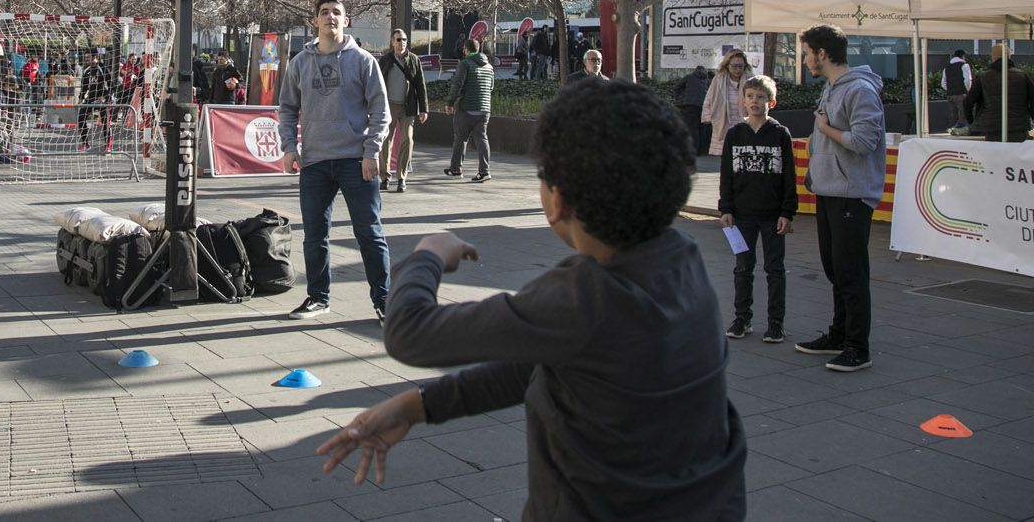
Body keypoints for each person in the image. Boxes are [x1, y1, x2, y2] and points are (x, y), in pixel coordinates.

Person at [317, 78, 746, 518]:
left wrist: (428, 256)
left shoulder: (585, 298)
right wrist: (417, 406)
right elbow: (545, 363)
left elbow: (409, 333)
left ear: (556, 199)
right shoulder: (683, 261)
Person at [279, 0, 391, 322]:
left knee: (369, 233)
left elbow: (380, 110)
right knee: (315, 235)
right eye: (324, 12)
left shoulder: (363, 61)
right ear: (315, 21)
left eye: (336, 13)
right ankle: (318, 298)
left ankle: (384, 300)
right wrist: (289, 146)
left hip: (356, 161)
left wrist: (372, 152)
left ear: (346, 20)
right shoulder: (300, 62)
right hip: (314, 162)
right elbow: (287, 108)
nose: (330, 17)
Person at [795, 24, 885, 373]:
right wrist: (815, 168)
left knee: (850, 273)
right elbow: (826, 135)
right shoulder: (832, 88)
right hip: (829, 189)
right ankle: (839, 333)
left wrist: (825, 130)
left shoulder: (859, 90)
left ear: (821, 54)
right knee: (835, 269)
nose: (804, 61)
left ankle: (857, 347)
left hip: (851, 193)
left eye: (806, 54)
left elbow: (864, 142)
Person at [719, 75, 797, 344]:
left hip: (773, 217)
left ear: (771, 102)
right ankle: (742, 318)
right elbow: (726, 175)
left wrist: (787, 212)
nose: (754, 101)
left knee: (774, 269)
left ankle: (776, 323)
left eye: (760, 97)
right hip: (741, 217)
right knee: (743, 268)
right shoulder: (735, 134)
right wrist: (725, 208)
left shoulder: (780, 134)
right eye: (750, 96)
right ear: (743, 101)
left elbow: (789, 176)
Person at [378, 29, 429, 194]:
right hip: (389, 106)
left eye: (405, 40)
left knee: (407, 140)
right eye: (399, 40)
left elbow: (420, 85)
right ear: (392, 42)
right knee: (386, 141)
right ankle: (385, 177)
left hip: (408, 106)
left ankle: (401, 178)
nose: (402, 43)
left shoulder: (414, 60)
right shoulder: (385, 60)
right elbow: (376, 84)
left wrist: (424, 109)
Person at [964, 43, 1034, 143]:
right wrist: (1026, 117)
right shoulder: (1021, 75)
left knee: (994, 157)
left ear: (992, 57)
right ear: (1009, 56)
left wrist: (974, 122)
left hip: (992, 129)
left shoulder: (983, 77)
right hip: (1019, 129)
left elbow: (967, 103)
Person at [443, 38, 495, 182]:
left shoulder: (465, 64)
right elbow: (491, 87)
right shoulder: (489, 66)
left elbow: (457, 85)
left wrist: (450, 102)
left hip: (467, 108)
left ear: (466, 49)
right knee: (482, 139)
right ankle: (484, 171)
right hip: (484, 109)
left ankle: (456, 169)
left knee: (460, 138)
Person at [700, 50, 753, 156]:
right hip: (723, 124)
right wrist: (709, 117)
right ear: (727, 65)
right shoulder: (718, 80)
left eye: (740, 66)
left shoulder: (750, 80)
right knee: (726, 160)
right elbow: (709, 99)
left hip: (744, 124)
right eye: (734, 66)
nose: (738, 69)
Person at [78, 53, 115, 152]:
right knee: (81, 117)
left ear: (94, 57)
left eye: (88, 57)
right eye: (85, 57)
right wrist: (80, 99)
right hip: (90, 98)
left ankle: (108, 146)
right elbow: (84, 87)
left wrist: (105, 97)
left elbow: (111, 85)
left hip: (102, 99)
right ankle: (85, 144)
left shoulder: (102, 68)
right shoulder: (86, 70)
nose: (86, 59)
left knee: (105, 122)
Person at [676, 65, 711, 151]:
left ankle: (693, 149)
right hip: (702, 106)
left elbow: (677, 87)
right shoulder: (706, 80)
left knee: (692, 128)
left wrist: (681, 97)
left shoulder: (688, 77)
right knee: (701, 128)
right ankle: (701, 149)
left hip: (689, 106)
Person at [941, 49, 972, 130]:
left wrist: (950, 89)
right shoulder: (964, 65)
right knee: (963, 117)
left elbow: (943, 83)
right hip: (961, 94)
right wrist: (967, 90)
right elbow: (968, 80)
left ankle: (955, 133)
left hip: (950, 95)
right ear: (962, 56)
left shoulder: (946, 68)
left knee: (954, 117)